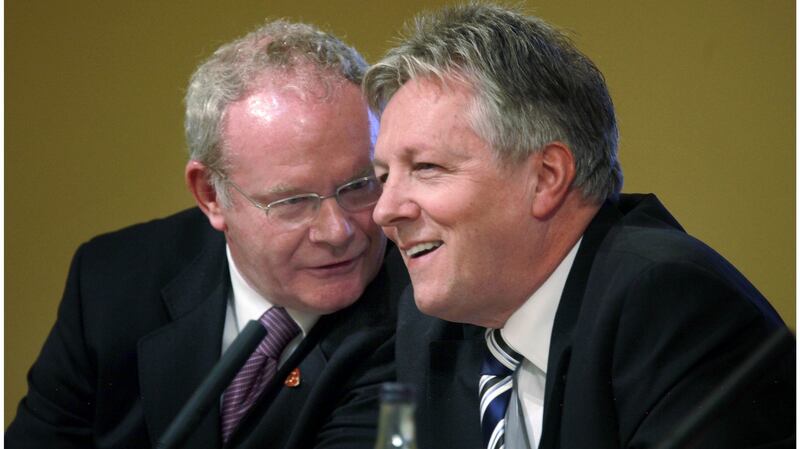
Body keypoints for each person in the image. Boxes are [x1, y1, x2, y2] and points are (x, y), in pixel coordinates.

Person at [363, 4, 794, 449]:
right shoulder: (427, 328)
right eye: (382, 178)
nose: (385, 211)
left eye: (427, 167)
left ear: (546, 177)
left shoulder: (669, 302)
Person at [7, 19, 408, 449]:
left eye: (361, 185)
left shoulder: (423, 307)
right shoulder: (112, 282)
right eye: (293, 201)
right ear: (210, 194)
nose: (338, 230)